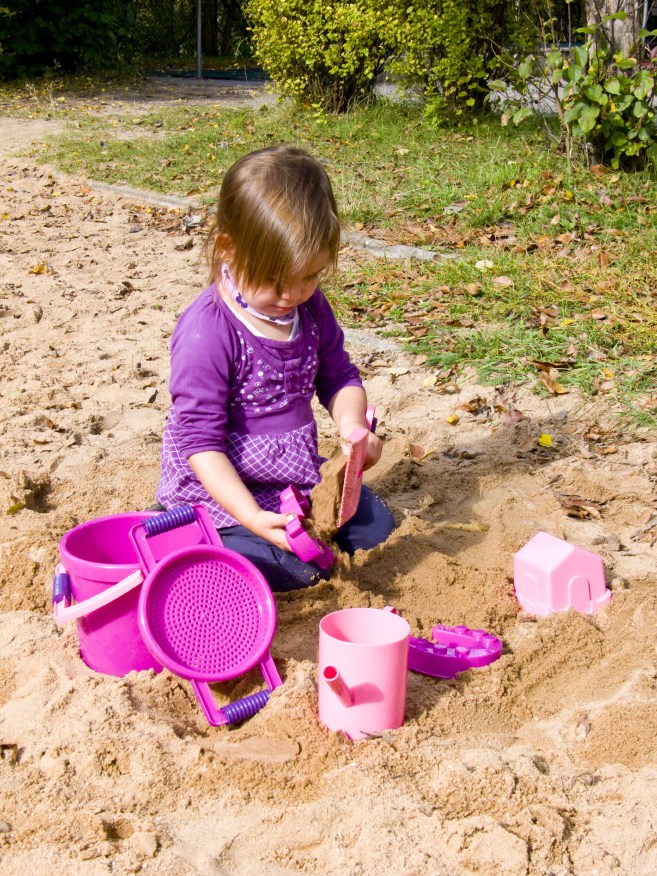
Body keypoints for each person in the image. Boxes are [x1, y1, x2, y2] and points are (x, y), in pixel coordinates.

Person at [156, 144, 395, 591]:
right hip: (220, 491)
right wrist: (251, 516)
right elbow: (199, 443)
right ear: (228, 249)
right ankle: (195, 538)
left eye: (310, 276)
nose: (293, 295)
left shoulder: (310, 309)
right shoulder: (208, 332)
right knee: (297, 569)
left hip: (289, 481)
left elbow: (339, 377)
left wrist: (353, 428)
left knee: (377, 528)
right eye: (276, 281)